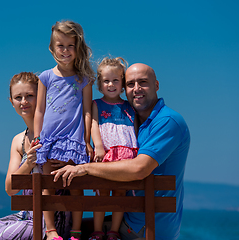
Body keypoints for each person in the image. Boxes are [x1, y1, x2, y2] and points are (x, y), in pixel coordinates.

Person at [52, 63, 190, 240]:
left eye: (143, 82)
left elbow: (140, 168)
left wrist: (85, 168)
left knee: (72, 230)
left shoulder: (167, 121)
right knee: (69, 229)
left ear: (156, 85)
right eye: (131, 84)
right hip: (132, 216)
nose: (136, 88)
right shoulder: (136, 121)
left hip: (146, 228)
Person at [0, 72, 71, 240]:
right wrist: (28, 163)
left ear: (41, 97)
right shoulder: (18, 141)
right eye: (18, 97)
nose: (24, 102)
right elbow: (10, 189)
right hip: (26, 216)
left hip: (51, 222)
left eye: (30, 96)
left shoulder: (54, 134)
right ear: (11, 102)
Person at [34, 20, 95, 240]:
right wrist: (37, 137)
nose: (65, 51)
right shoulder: (45, 77)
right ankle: (50, 231)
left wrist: (87, 140)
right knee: (48, 185)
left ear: (78, 48)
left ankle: (76, 231)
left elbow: (87, 111)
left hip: (73, 141)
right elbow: (39, 110)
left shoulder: (84, 79)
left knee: (76, 186)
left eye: (70, 46)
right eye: (61, 45)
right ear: (52, 48)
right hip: (49, 140)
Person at [89, 57, 138, 240]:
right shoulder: (97, 104)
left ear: (123, 84)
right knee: (101, 193)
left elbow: (135, 129)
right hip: (106, 153)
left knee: (120, 194)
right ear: (100, 85)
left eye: (116, 80)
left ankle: (113, 231)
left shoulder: (128, 106)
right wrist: (99, 146)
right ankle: (97, 231)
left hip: (126, 155)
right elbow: (94, 125)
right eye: (106, 81)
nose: (111, 84)